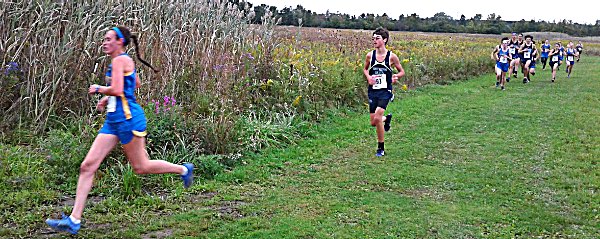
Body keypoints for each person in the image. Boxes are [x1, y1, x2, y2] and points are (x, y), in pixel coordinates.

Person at [45, 26, 195, 235]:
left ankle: (184, 169)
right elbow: (134, 84)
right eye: (104, 39)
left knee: (141, 167)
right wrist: (109, 98)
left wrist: (100, 89)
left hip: (128, 120)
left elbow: (118, 88)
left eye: (108, 39)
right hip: (113, 121)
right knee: (88, 166)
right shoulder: (122, 62)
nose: (104, 42)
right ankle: (74, 220)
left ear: (120, 42)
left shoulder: (119, 60)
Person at [363, 27, 405, 157]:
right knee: (373, 122)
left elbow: (402, 71)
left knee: (377, 117)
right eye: (373, 38)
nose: (374, 40)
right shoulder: (370, 55)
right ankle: (387, 119)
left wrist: (396, 77)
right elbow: (365, 69)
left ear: (384, 40)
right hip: (373, 91)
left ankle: (380, 148)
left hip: (385, 91)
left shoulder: (392, 57)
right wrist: (369, 77)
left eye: (377, 38)